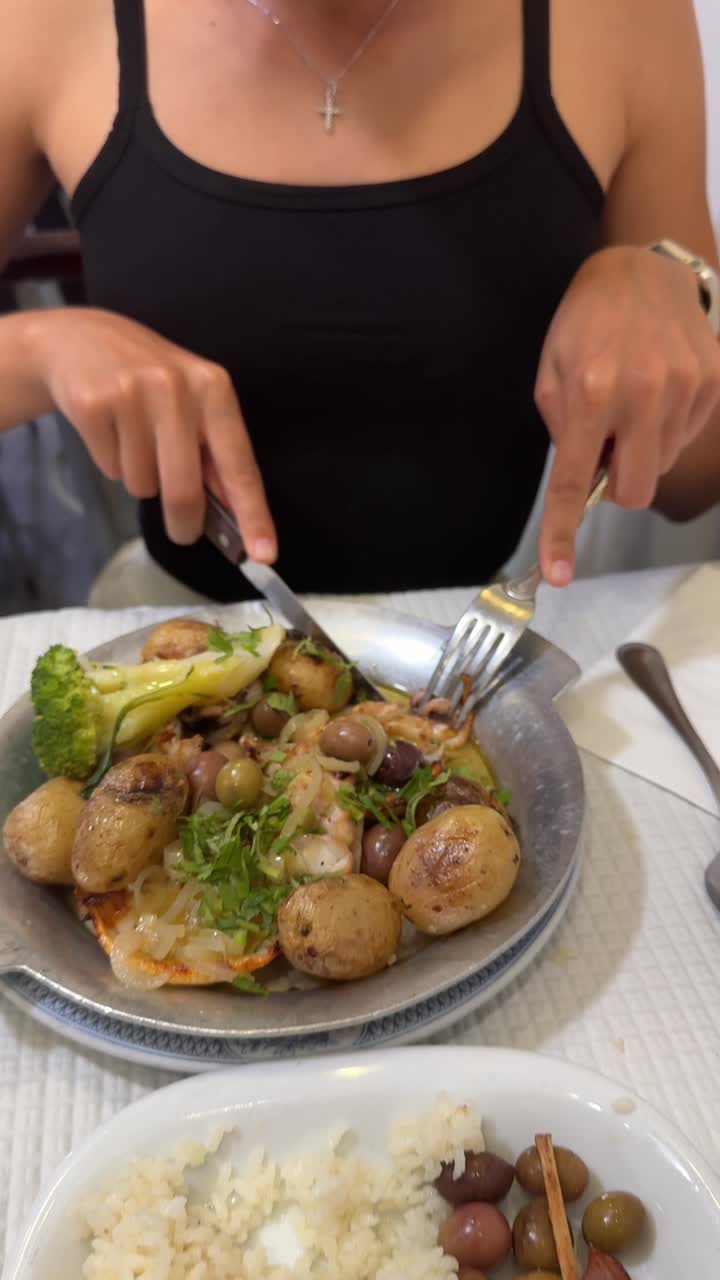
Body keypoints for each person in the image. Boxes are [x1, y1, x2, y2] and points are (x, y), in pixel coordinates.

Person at [0, 0, 719, 599]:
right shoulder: (51, 16)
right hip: (175, 629)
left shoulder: (619, 16)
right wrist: (41, 351)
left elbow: (696, 484)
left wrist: (668, 288)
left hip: (462, 652)